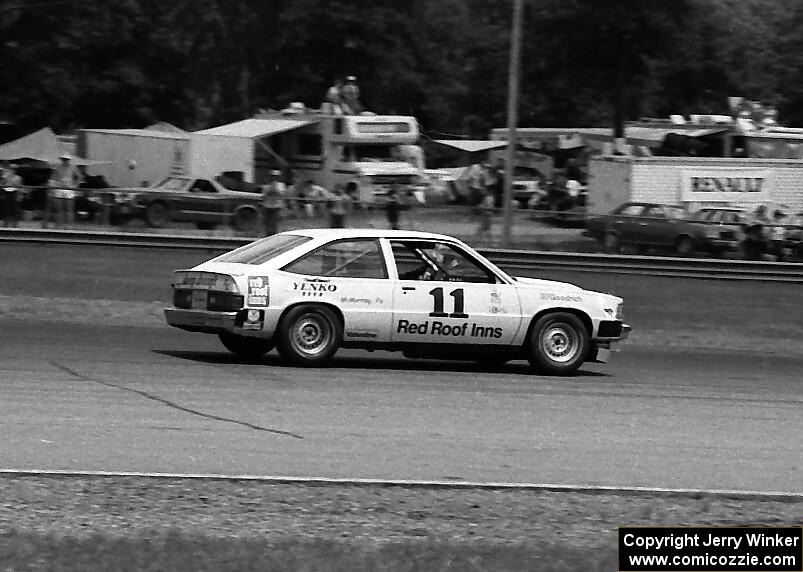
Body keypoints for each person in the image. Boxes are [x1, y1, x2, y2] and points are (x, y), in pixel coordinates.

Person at [44, 154, 79, 228]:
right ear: (62, 160)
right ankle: (59, 224)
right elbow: (52, 177)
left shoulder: (73, 167)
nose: (65, 161)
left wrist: (75, 185)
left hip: (69, 189)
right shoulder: (57, 167)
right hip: (59, 188)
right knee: (59, 208)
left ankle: (69, 225)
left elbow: (80, 177)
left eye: (66, 159)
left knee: (69, 209)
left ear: (69, 160)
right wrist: (52, 186)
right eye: (64, 159)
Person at [261, 169, 286, 236]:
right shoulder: (266, 185)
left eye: (276, 176)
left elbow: (281, 194)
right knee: (267, 223)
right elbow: (264, 195)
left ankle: (275, 235)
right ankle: (267, 236)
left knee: (275, 223)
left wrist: (274, 191)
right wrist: (271, 191)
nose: (274, 178)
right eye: (272, 176)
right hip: (267, 206)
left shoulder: (281, 185)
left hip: (276, 207)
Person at [1, 163, 22, 227]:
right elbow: (3, 183)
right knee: (6, 209)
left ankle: (14, 224)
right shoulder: (5, 175)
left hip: (14, 193)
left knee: (14, 210)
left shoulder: (18, 177)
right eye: (11, 169)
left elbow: (19, 187)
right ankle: (6, 223)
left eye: (14, 169)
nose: (12, 170)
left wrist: (19, 196)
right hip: (6, 192)